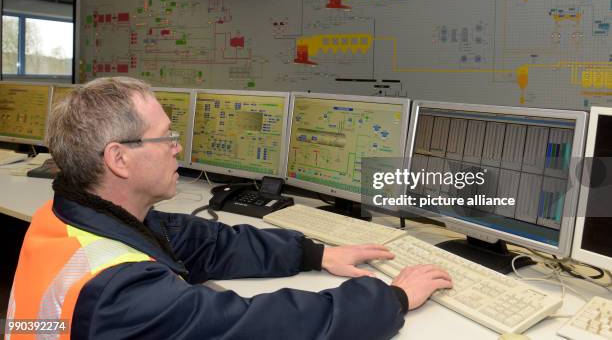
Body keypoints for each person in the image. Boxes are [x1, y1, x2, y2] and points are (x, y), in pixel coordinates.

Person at [7, 77, 452, 339]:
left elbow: (205, 241)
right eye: (166, 138)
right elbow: (252, 327)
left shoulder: (78, 216)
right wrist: (390, 299)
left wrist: (316, 255)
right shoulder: (116, 290)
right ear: (118, 159)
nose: (178, 148)